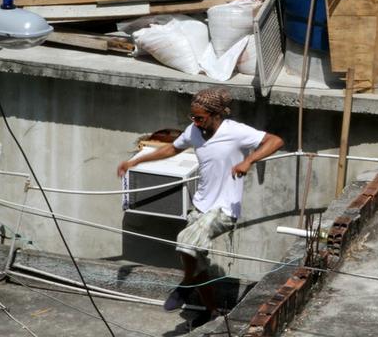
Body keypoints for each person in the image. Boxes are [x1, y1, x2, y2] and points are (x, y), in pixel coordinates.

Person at [117, 88, 283, 325]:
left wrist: (248, 161)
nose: (195, 122)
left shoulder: (235, 132)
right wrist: (136, 160)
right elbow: (172, 148)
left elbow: (275, 140)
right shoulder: (194, 130)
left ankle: (184, 286)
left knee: (185, 241)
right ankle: (212, 310)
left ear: (216, 115)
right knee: (196, 260)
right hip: (202, 205)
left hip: (224, 210)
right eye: (192, 117)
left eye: (200, 117)